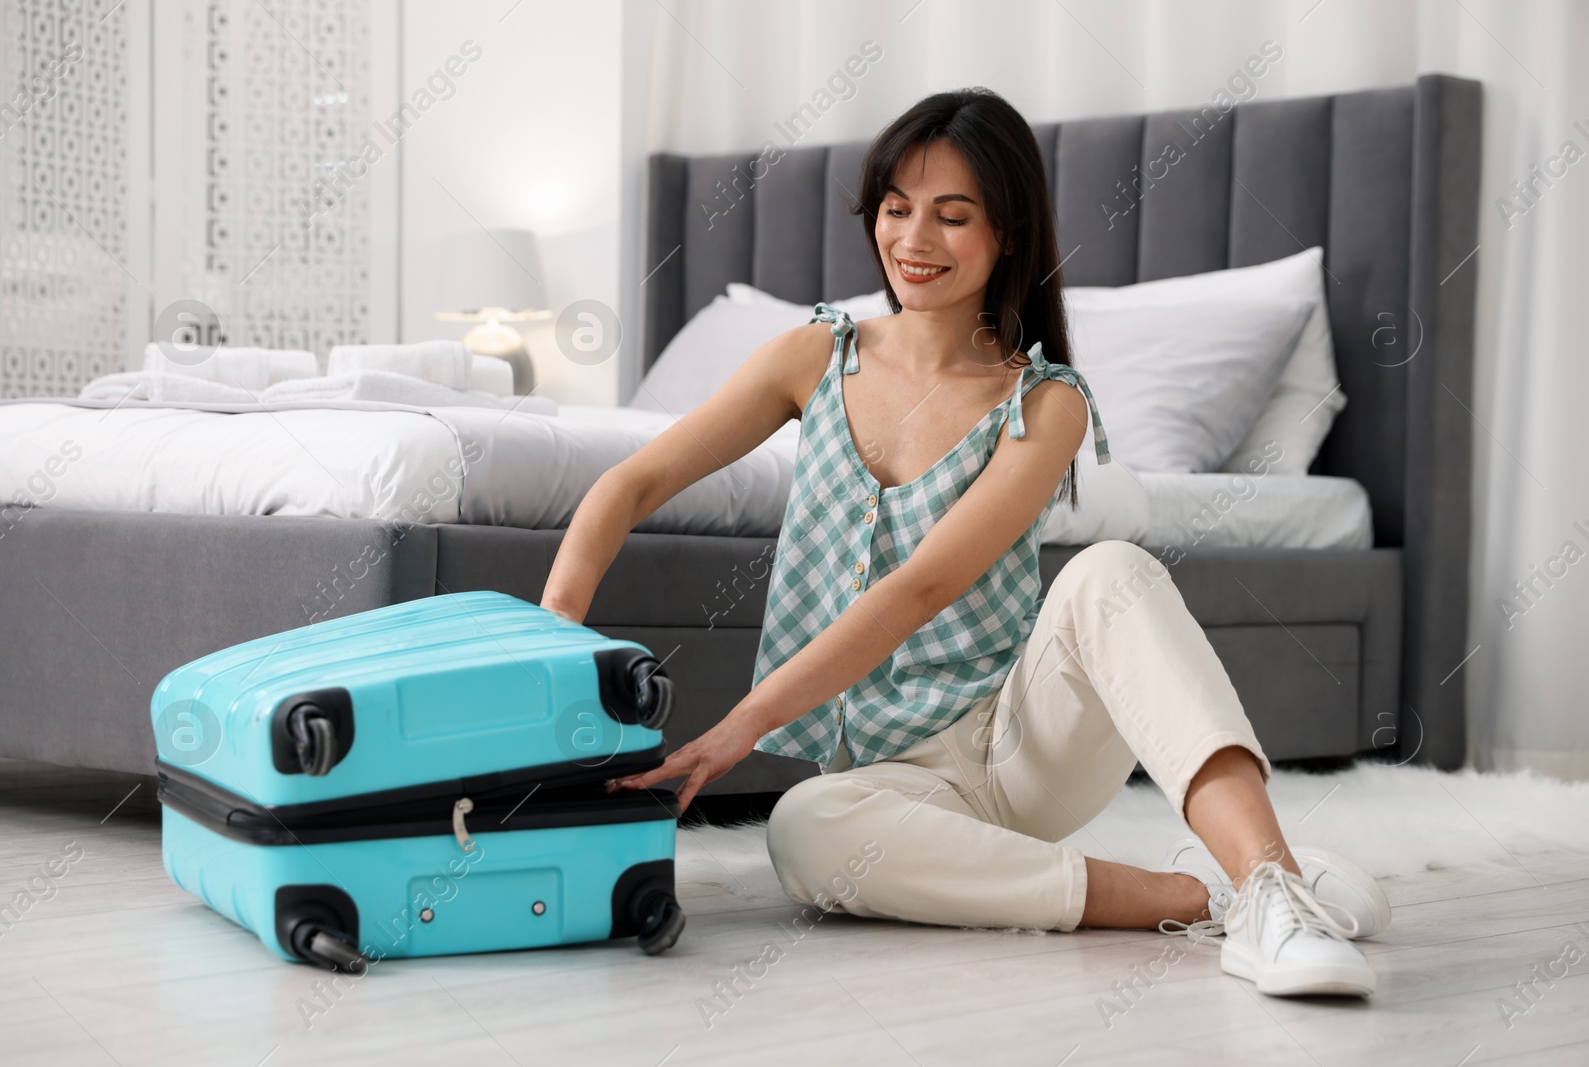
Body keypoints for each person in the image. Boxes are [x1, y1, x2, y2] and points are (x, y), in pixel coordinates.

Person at [540, 87, 1389, 998]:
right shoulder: (815, 356)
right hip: (890, 781)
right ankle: (1209, 893)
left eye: (953, 216)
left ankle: (1270, 886)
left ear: (1008, 232)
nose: (914, 240)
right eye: (897, 210)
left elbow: (918, 588)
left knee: (1112, 572)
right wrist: (542, 656)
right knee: (803, 829)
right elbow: (628, 485)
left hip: (1017, 748)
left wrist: (732, 734)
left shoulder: (1044, 404)